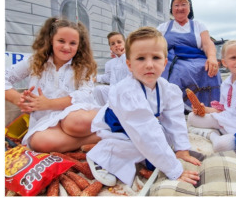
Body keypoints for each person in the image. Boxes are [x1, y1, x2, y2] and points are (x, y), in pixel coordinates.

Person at [86, 27, 201, 187]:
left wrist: (181, 148)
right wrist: (175, 170)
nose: (149, 65)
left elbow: (175, 119)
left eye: (155, 57)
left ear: (165, 62)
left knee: (164, 140)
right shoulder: (127, 92)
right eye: (140, 58)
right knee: (140, 145)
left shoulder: (167, 88)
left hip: (144, 125)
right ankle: (103, 155)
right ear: (129, 64)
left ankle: (152, 156)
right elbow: (145, 133)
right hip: (117, 128)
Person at [4, 17, 101, 152]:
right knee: (39, 142)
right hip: (47, 123)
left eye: (73, 43)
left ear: (79, 46)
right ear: (51, 40)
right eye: (61, 41)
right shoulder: (34, 62)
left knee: (75, 122)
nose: (66, 47)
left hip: (74, 115)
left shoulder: (83, 66)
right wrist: (18, 99)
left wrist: (49, 103)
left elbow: (85, 94)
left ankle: (78, 138)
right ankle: (99, 136)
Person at [159, 0, 220, 112]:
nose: (180, 8)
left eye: (184, 4)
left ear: (190, 7)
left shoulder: (199, 25)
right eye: (176, 5)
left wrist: (212, 57)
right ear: (171, 8)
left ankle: (208, 107)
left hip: (196, 58)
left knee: (211, 70)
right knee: (178, 71)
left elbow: (207, 44)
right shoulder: (163, 27)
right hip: (172, 59)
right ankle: (176, 108)